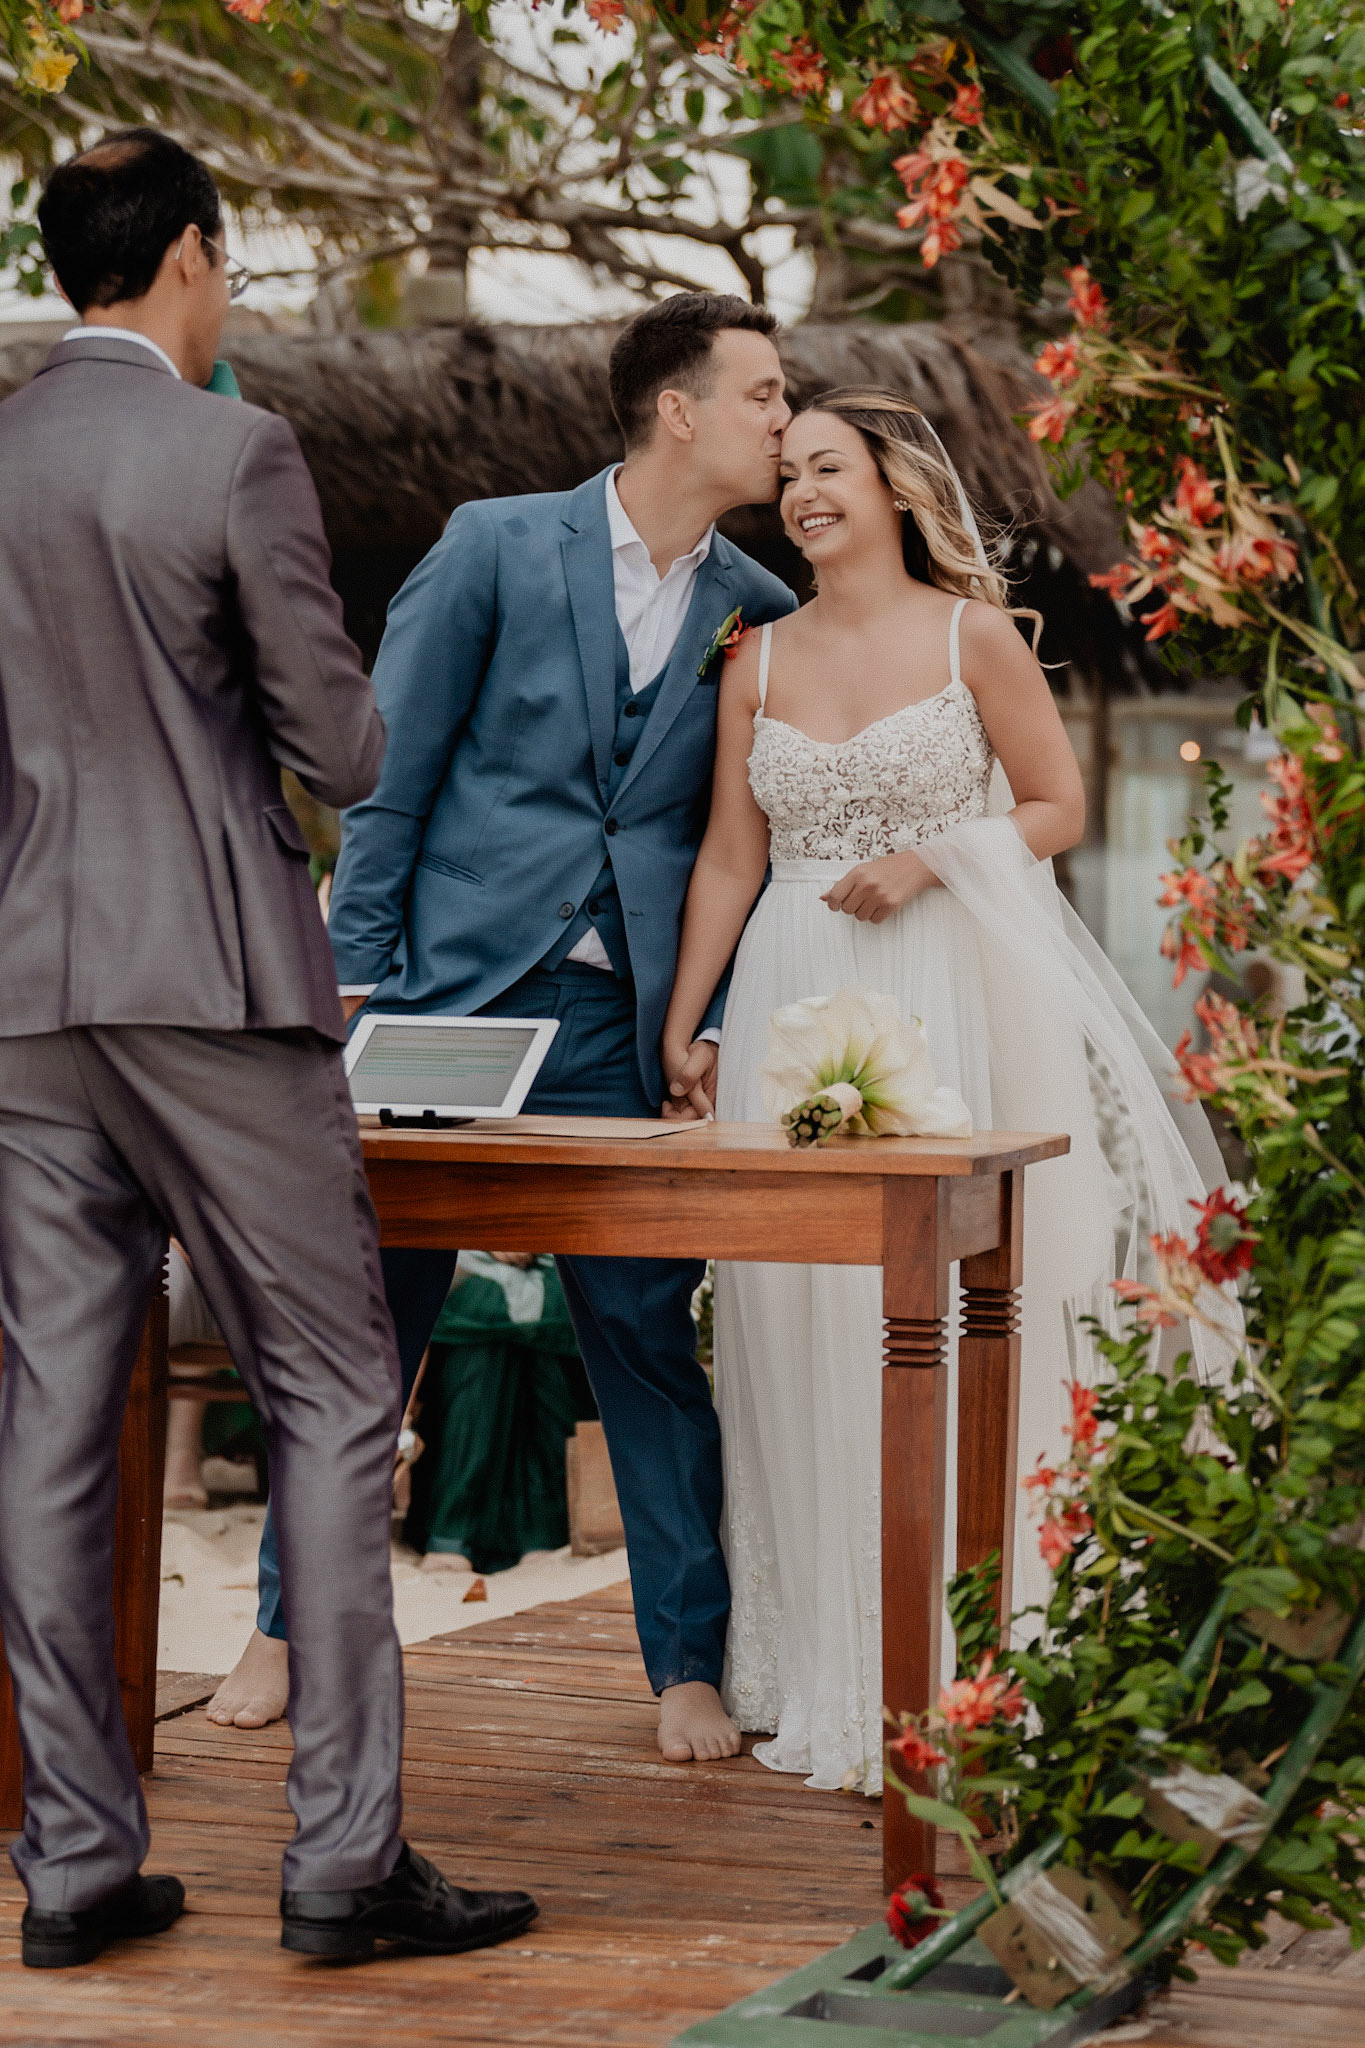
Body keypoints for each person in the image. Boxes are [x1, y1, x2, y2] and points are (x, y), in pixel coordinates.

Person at [0, 129, 535, 1967]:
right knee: (326, 1385)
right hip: (217, 977)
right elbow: (345, 749)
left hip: (23, 991)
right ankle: (344, 1860)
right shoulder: (233, 447)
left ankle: (69, 1866)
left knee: (58, 1416)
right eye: (226, 266)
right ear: (190, 259)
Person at [212, 292, 799, 1764]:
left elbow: (745, 842)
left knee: (649, 1347)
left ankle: (682, 1666)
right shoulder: (489, 544)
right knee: (363, 1342)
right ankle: (285, 1625)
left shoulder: (759, 610)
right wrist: (348, 994)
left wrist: (706, 1021)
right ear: (680, 409)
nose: (785, 424)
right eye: (766, 396)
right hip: (439, 1002)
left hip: (621, 1027)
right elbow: (386, 785)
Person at [661, 388, 1230, 1796]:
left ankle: (978, 1656)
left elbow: (1055, 807)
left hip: (943, 987)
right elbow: (731, 857)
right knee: (797, 1316)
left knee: (948, 1312)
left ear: (897, 486)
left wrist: (931, 858)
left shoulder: (974, 634)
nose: (798, 494)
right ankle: (834, 1672)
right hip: (789, 990)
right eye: (785, 475)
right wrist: (689, 1022)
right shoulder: (757, 657)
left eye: (826, 468)